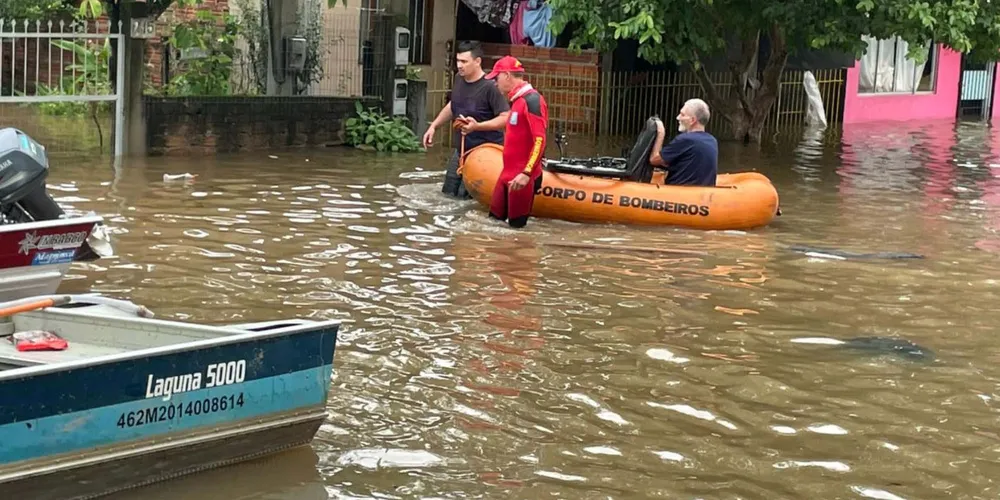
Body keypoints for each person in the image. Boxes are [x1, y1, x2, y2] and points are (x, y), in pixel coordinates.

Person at [462, 55, 548, 229]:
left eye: (497, 77)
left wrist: (526, 173)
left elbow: (540, 139)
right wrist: (476, 126)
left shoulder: (532, 101)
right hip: (506, 174)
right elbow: (513, 128)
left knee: (517, 233)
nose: (495, 83)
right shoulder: (516, 101)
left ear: (507, 76)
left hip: (521, 178)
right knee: (493, 225)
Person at [422, 41, 510, 199]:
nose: (460, 65)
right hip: (462, 150)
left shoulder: (490, 87)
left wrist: (477, 127)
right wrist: (434, 126)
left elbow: (505, 118)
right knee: (448, 193)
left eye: (464, 61)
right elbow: (453, 105)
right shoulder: (458, 79)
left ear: (477, 62)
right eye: (458, 61)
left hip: (485, 153)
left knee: (466, 197)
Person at [649, 98, 718, 186]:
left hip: (680, 194)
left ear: (692, 120)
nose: (678, 117)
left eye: (682, 114)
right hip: (703, 193)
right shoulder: (712, 140)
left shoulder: (685, 140)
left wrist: (661, 133)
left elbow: (654, 159)